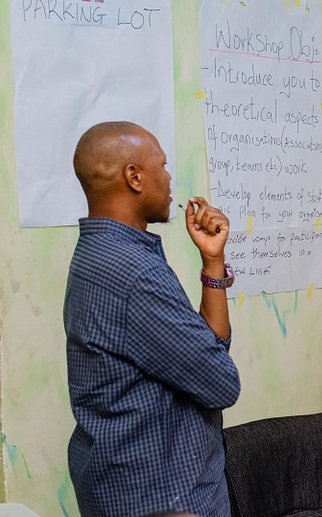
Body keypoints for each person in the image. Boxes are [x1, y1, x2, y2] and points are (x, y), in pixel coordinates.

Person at [64, 121, 241, 516]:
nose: (169, 176)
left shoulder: (99, 254)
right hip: (165, 499)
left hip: (125, 487)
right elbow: (222, 383)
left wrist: (213, 259)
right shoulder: (133, 274)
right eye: (162, 165)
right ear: (135, 177)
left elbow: (209, 351)